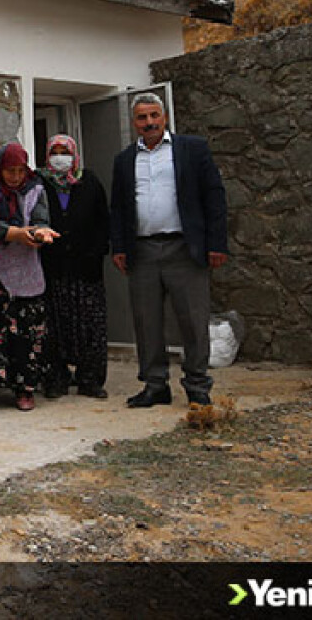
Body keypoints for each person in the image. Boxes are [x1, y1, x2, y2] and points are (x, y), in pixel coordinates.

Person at [110, 93, 229, 408]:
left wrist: (216, 243)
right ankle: (155, 384)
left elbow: (214, 197)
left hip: (185, 249)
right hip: (143, 251)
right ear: (134, 123)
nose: (149, 122)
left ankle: (197, 385)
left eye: (153, 116)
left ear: (164, 118)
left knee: (193, 319)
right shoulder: (124, 160)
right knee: (146, 322)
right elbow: (119, 208)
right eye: (142, 117)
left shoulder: (191, 149)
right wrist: (119, 247)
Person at [0, 144, 58, 412]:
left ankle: (25, 388)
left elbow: (41, 218)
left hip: (25, 271)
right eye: (10, 171)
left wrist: (41, 233)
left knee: (27, 333)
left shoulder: (36, 187)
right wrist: (13, 233)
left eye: (20, 170)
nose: (16, 177)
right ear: (0, 168)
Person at [38, 135, 111, 399]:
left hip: (86, 268)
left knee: (90, 326)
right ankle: (57, 377)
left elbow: (103, 221)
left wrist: (96, 252)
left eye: (64, 152)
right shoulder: (40, 183)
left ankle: (90, 379)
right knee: (54, 326)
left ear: (74, 155)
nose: (60, 157)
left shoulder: (89, 181)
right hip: (52, 268)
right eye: (54, 152)